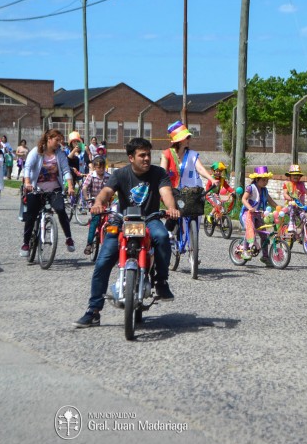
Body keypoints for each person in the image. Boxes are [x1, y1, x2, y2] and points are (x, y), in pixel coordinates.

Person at [74, 138, 180, 328]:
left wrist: (171, 208)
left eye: (148, 154)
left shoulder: (159, 173)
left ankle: (161, 280)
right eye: (142, 155)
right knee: (103, 260)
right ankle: (93, 311)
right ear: (131, 158)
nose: (147, 158)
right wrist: (99, 204)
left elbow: (166, 194)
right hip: (124, 220)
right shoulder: (121, 174)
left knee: (163, 236)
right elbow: (106, 192)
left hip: (149, 218)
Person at [20, 129, 76, 256]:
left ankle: (69, 238)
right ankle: (26, 243)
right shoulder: (37, 152)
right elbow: (27, 168)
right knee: (31, 215)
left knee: (61, 209)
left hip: (54, 189)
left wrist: (71, 186)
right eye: (57, 140)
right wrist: (28, 183)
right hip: (35, 189)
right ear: (49, 139)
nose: (59, 143)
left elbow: (66, 170)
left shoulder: (60, 154)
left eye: (60, 140)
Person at [159, 121, 214, 233]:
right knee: (174, 214)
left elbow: (200, 168)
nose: (189, 140)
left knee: (192, 210)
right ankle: (166, 236)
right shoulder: (166, 154)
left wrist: (211, 178)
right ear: (180, 140)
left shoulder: (192, 154)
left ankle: (189, 239)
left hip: (189, 191)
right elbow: (162, 172)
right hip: (171, 191)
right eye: (187, 137)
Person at [239, 166, 281, 264]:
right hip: (247, 214)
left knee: (264, 236)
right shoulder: (251, 188)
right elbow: (243, 199)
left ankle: (265, 257)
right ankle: (245, 250)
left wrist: (278, 207)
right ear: (256, 179)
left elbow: (270, 201)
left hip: (258, 215)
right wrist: (249, 207)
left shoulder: (264, 190)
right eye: (263, 180)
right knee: (251, 230)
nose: (265, 182)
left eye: (267, 180)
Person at [80, 156, 111, 256]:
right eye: (98, 167)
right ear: (94, 167)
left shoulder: (109, 176)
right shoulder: (91, 176)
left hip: (107, 203)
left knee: (113, 221)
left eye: (102, 167)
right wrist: (86, 197)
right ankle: (89, 244)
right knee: (95, 221)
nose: (101, 169)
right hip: (94, 203)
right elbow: (84, 188)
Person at [281, 164, 307, 233]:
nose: (296, 176)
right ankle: (291, 223)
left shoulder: (301, 184)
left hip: (300, 206)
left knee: (304, 217)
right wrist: (289, 198)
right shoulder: (287, 184)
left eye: (297, 175)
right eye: (294, 175)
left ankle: (304, 233)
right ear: (290, 176)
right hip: (290, 206)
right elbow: (285, 194)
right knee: (292, 208)